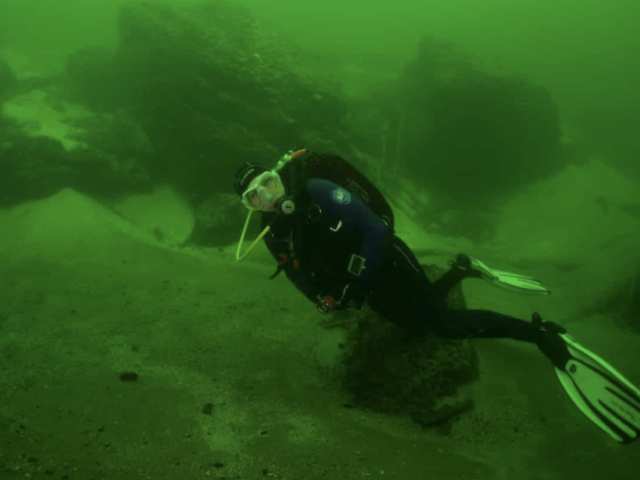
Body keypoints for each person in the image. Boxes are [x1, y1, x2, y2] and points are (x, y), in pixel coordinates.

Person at [233, 148, 640, 445]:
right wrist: (325, 300)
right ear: (249, 206)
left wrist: (355, 280)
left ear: (277, 175)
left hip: (387, 259)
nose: (267, 195)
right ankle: (463, 269)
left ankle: (541, 335)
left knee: (443, 324)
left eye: (267, 181)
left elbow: (376, 230)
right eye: (254, 195)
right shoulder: (273, 234)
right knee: (413, 322)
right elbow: (298, 276)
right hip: (362, 284)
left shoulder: (318, 190)